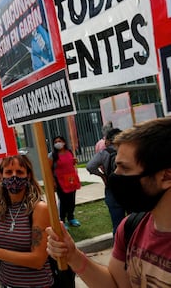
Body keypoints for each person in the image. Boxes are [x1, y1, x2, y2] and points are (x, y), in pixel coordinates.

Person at [46, 117, 171, 287]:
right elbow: (115, 284)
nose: (115, 175)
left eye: (125, 168)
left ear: (166, 176)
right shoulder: (130, 228)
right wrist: (73, 256)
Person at [0, 154, 54, 287]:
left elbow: (38, 260)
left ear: (28, 176)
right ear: (1, 176)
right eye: (8, 172)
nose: (14, 176)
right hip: (5, 283)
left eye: (19, 172)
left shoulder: (39, 209)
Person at [86, 128, 126, 235]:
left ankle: (119, 248)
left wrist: (102, 175)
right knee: (136, 221)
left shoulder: (104, 153)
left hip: (112, 189)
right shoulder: (128, 150)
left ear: (108, 141)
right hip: (129, 188)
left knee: (118, 224)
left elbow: (90, 166)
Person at [48, 136, 81, 229]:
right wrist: (53, 181)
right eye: (56, 141)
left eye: (60, 141)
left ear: (64, 142)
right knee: (63, 201)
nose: (58, 143)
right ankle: (62, 220)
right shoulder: (52, 155)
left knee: (72, 200)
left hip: (71, 179)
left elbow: (70, 163)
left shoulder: (69, 152)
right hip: (60, 181)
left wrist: (74, 162)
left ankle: (71, 218)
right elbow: (49, 169)